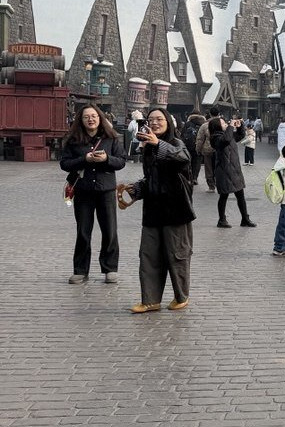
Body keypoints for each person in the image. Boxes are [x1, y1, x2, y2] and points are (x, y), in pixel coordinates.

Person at [116, 107, 194, 313]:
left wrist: (158, 143)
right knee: (149, 256)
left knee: (177, 255)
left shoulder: (176, 143)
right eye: (151, 120)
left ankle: (181, 296)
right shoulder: (148, 148)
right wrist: (137, 189)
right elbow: (152, 178)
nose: (155, 123)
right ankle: (150, 300)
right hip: (153, 210)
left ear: (168, 122)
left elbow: (184, 158)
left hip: (176, 210)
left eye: (159, 119)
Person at [59, 104, 127, 284]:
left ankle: (110, 268)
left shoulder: (111, 138)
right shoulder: (73, 140)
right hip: (83, 191)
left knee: (110, 230)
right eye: (86, 117)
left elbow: (121, 161)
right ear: (80, 120)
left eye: (94, 116)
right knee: (83, 231)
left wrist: (106, 159)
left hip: (106, 190)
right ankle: (80, 270)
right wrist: (84, 159)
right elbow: (64, 163)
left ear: (100, 118)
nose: (91, 119)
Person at [209, 115, 256, 228]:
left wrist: (240, 127)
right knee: (224, 196)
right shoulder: (216, 138)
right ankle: (222, 220)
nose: (226, 124)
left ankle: (245, 219)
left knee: (240, 195)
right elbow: (225, 140)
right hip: (224, 171)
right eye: (223, 123)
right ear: (217, 126)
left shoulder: (227, 135)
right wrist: (230, 126)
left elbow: (240, 136)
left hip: (234, 170)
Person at [194, 106, 219, 192]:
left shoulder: (205, 125)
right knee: (219, 167)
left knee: (209, 169)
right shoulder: (223, 124)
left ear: (210, 114)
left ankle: (211, 186)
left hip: (208, 149)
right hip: (220, 150)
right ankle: (219, 184)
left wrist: (198, 149)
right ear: (219, 114)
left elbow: (200, 139)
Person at [181, 110, 206, 185]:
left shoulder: (188, 124)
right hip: (199, 145)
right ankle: (195, 178)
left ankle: (189, 177)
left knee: (188, 161)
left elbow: (183, 134)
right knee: (197, 162)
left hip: (188, 145)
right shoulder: (203, 123)